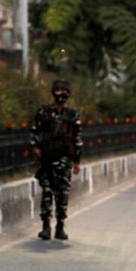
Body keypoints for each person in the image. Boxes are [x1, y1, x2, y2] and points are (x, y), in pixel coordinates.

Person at [31, 80, 83, 241]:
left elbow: (77, 138)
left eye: (63, 90)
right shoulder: (43, 112)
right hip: (47, 158)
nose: (60, 93)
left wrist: (76, 161)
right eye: (58, 90)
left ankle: (60, 225)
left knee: (62, 193)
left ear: (68, 93)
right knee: (47, 191)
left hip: (65, 160)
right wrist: (36, 147)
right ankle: (46, 226)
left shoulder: (72, 115)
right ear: (53, 91)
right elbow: (34, 132)